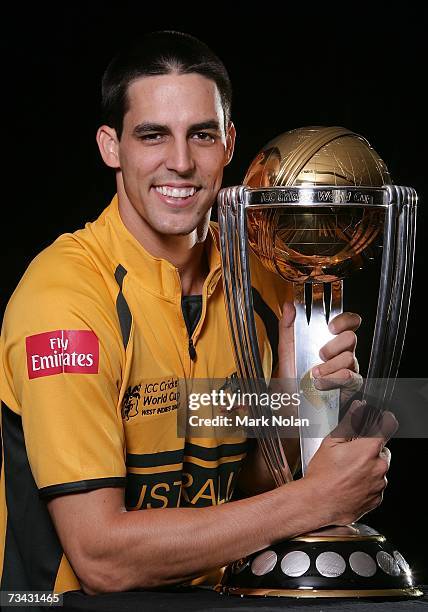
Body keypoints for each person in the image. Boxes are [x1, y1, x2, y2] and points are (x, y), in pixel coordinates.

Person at [0, 31, 394, 595]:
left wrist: (293, 404)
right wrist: (313, 499)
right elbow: (102, 558)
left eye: (202, 135)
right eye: (153, 135)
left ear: (229, 143)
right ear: (111, 147)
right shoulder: (63, 300)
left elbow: (240, 486)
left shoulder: (260, 279)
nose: (180, 163)